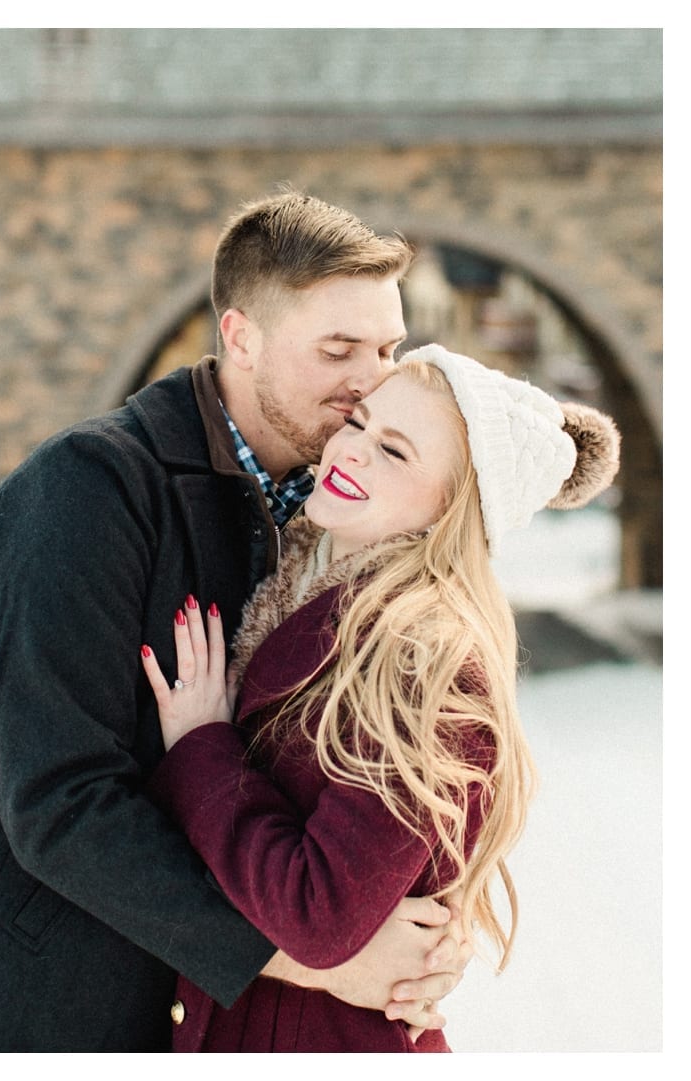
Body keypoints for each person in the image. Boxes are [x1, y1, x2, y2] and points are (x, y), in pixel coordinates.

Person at [0, 191, 471, 1051]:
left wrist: (424, 922)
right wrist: (312, 956)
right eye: (338, 348)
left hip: (234, 1030)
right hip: (73, 1008)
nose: (372, 377)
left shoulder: (347, 514)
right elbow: (59, 802)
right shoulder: (85, 493)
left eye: (388, 347)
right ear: (240, 336)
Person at [142, 344, 620, 1050]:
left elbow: (322, 915)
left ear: (450, 510)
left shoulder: (426, 663)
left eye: (395, 452)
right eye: (359, 421)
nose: (352, 450)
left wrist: (200, 745)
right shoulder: (300, 585)